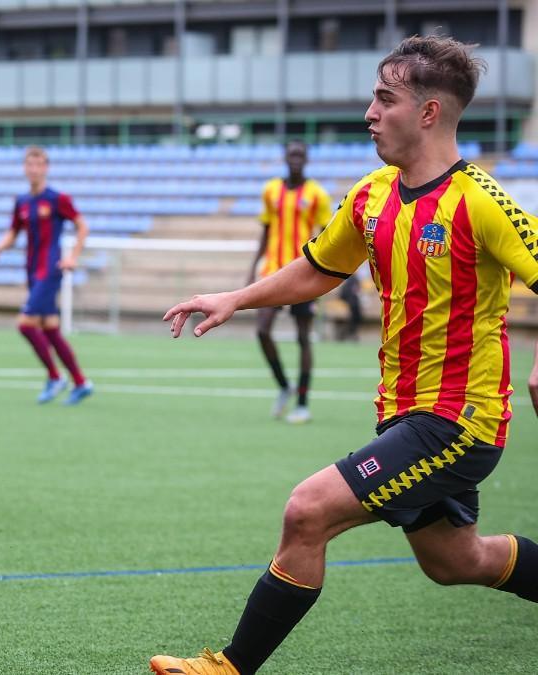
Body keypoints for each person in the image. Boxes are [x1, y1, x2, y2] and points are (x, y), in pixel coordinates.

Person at [152, 36, 538, 675]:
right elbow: (318, 268)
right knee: (455, 562)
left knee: (307, 511)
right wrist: (235, 297)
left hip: (458, 420)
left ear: (430, 113)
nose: (369, 112)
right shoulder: (372, 195)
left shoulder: (481, 202)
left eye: (385, 99)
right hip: (402, 414)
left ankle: (229, 667)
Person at [0, 145, 93, 404]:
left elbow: (82, 226)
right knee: (50, 330)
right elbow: (14, 231)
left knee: (25, 324)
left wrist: (72, 257)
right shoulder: (22, 202)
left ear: (46, 168)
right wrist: (0, 246)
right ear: (25, 168)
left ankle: (56, 376)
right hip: (33, 271)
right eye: (30, 165)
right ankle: (80, 382)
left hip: (50, 270)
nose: (34, 169)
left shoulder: (58, 199)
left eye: (39, 165)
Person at [248, 140, 332, 423]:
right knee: (262, 330)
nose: (296, 158)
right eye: (292, 154)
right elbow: (266, 231)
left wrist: (324, 273)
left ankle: (303, 403)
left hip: (303, 275)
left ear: (306, 158)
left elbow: (326, 237)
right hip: (272, 271)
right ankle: (285, 386)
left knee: (302, 337)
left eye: (301, 154)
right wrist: (252, 269)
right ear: (285, 157)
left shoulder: (317, 194)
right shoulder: (271, 190)